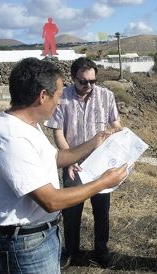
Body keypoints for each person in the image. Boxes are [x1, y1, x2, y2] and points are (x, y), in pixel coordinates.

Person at [0, 57, 128, 274]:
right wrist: (103, 182)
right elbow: (51, 201)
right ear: (42, 96)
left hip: (41, 238)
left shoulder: (28, 127)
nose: (60, 101)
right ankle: (72, 251)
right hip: (26, 246)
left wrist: (94, 142)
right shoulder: (10, 136)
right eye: (58, 95)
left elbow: (56, 157)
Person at [45, 57, 121, 268]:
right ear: (73, 78)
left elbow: (116, 124)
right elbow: (58, 131)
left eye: (92, 81)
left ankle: (101, 251)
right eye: (83, 82)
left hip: (100, 165)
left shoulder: (107, 96)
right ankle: (71, 252)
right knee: (71, 212)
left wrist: (113, 132)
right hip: (74, 165)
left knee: (102, 211)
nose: (88, 86)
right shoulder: (62, 98)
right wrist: (69, 158)